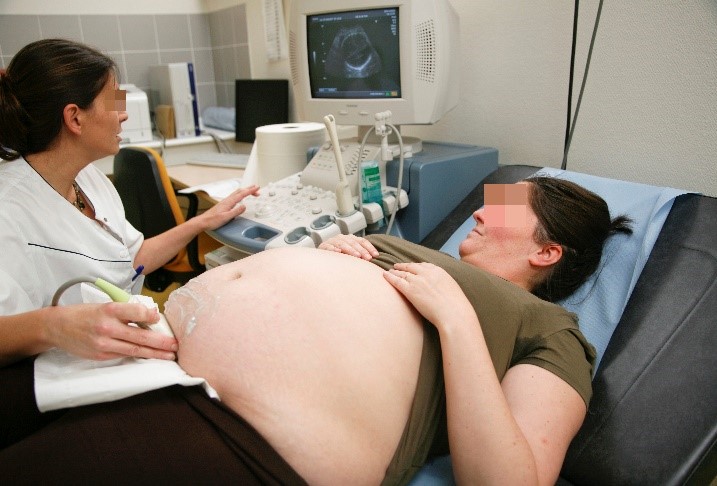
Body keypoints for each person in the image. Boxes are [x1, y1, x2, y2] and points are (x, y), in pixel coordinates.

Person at [0, 167, 632, 485]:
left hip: (236, 431)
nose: (483, 212)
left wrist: (457, 320)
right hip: (135, 358)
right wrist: (331, 258)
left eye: (510, 206)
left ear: (547, 251)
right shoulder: (414, 254)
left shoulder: (551, 330)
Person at [0, 38, 259, 368]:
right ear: (75, 118)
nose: (123, 114)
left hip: (122, 349)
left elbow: (132, 258)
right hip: (59, 371)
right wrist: (55, 325)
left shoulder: (88, 178)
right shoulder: (8, 210)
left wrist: (202, 222)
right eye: (113, 100)